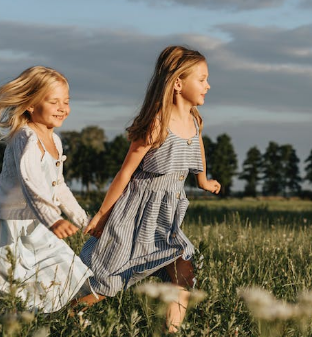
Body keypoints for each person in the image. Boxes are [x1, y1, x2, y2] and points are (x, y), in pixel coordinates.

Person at [78, 45, 221, 332]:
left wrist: (202, 179)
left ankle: (172, 331)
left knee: (183, 274)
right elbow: (124, 173)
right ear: (178, 83)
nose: (208, 85)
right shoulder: (156, 124)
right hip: (136, 214)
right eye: (202, 79)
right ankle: (69, 312)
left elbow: (198, 145)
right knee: (110, 280)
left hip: (166, 218)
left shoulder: (193, 119)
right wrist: (103, 215)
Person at [0, 66, 93, 313]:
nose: (62, 108)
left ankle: (58, 320)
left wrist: (84, 221)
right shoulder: (25, 136)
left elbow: (58, 188)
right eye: (54, 101)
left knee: (69, 271)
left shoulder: (56, 141)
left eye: (66, 102)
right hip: (6, 226)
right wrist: (54, 220)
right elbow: (30, 182)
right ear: (30, 104)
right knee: (2, 294)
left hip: (38, 223)